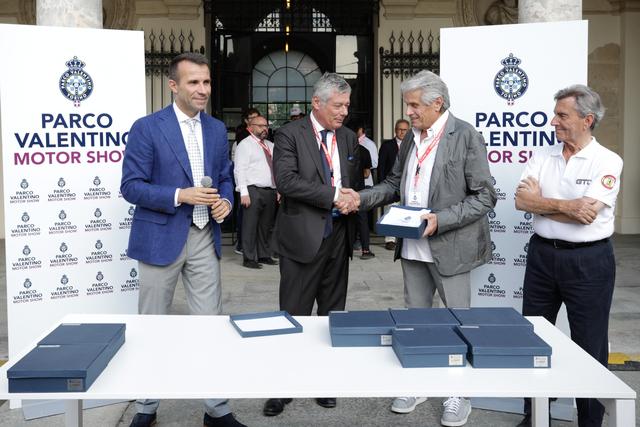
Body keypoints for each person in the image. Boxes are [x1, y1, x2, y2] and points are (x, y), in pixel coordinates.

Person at [338, 70, 496, 427]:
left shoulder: (465, 135)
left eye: (413, 105)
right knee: (417, 320)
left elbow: (485, 196)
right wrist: (360, 198)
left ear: (437, 103)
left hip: (450, 247)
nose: (408, 112)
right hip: (412, 246)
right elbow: (394, 184)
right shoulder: (412, 137)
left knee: (457, 320)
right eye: (407, 105)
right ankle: (420, 383)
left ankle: (459, 393)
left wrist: (441, 219)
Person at [120, 52, 245, 427]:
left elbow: (225, 176)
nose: (202, 89)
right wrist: (180, 195)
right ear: (173, 85)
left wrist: (225, 201)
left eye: (206, 82)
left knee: (210, 324)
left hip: (205, 236)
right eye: (194, 82)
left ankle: (216, 408)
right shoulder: (147, 128)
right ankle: (146, 406)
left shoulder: (216, 129)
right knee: (152, 326)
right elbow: (131, 186)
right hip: (160, 238)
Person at [515, 85, 623, 427]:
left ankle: (590, 421)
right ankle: (536, 417)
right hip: (542, 257)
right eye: (555, 114)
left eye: (562, 115)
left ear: (587, 120)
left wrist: (543, 204)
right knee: (534, 338)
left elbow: (585, 215)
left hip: (588, 261)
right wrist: (567, 206)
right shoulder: (541, 156)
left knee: (589, 345)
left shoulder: (608, 161)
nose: (554, 121)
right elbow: (521, 201)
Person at [263, 72, 360, 417]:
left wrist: (351, 200)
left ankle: (324, 381)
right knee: (293, 314)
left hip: (339, 236)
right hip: (302, 238)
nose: (344, 111)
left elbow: (352, 182)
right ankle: (283, 386)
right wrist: (335, 196)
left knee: (332, 315)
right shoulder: (289, 134)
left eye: (347, 105)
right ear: (316, 103)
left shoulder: (348, 138)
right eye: (338, 105)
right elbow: (287, 181)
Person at [234, 115, 278, 269]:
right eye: (260, 126)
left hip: (270, 190)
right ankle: (249, 258)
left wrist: (278, 188)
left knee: (266, 225)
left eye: (266, 126)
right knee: (250, 225)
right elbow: (239, 170)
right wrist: (243, 192)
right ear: (250, 128)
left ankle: (264, 255)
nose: (264, 129)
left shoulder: (271, 145)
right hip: (252, 190)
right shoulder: (245, 145)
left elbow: (276, 169)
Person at [232, 108, 261, 255]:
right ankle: (242, 244)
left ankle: (256, 246)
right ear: (246, 121)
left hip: (259, 182)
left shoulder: (262, 134)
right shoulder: (243, 136)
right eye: (251, 118)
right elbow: (239, 167)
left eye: (257, 117)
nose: (255, 120)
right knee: (244, 214)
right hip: (245, 182)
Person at [378, 119, 410, 250]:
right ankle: (390, 240)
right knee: (390, 211)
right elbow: (381, 167)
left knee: (407, 212)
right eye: (399, 129)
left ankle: (404, 239)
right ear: (395, 130)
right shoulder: (387, 146)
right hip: (392, 185)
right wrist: (382, 185)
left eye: (405, 130)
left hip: (408, 185)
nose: (402, 132)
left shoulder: (413, 145)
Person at [353, 120, 378, 259]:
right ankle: (366, 250)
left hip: (343, 190)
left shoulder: (340, 148)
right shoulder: (363, 150)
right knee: (362, 218)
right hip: (360, 189)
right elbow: (367, 173)